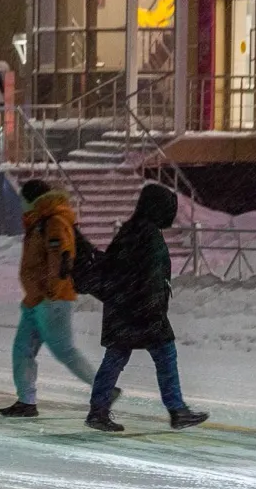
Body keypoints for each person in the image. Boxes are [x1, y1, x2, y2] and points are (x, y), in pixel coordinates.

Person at [85, 183, 209, 432]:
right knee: (165, 356)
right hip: (144, 311)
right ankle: (176, 410)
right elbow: (151, 276)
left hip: (123, 308)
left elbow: (117, 269)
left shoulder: (131, 230)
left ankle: (98, 410)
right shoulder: (149, 235)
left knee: (116, 357)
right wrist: (154, 309)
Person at [0, 179, 103, 418]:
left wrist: (51, 293)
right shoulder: (39, 222)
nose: (21, 206)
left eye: (23, 201)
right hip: (36, 301)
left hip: (52, 301)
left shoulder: (54, 222)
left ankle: (104, 388)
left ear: (31, 200)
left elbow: (61, 260)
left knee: (64, 351)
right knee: (22, 350)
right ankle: (26, 401)